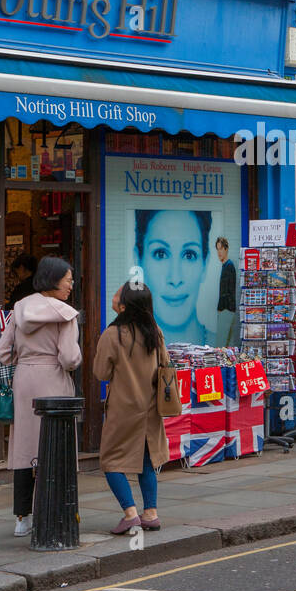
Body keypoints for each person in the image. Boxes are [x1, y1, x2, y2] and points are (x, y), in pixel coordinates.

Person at [0, 256, 81, 537]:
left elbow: (2, 352)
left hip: (25, 379)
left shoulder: (20, 309)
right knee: (57, 445)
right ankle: (56, 510)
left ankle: (23, 518)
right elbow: (69, 358)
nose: (71, 286)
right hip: (53, 379)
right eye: (68, 280)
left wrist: (26, 355)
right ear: (54, 281)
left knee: (24, 447)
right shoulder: (65, 314)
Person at [93, 283, 170, 535]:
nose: (113, 297)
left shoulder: (112, 335)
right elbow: (166, 364)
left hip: (123, 409)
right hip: (151, 408)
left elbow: (101, 373)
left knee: (111, 461)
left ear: (125, 304)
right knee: (147, 462)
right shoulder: (155, 332)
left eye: (118, 294)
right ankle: (151, 513)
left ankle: (130, 514)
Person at [134, 209, 212, 345]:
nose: (175, 279)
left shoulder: (223, 346)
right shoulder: (128, 347)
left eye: (189, 255)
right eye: (160, 254)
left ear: (205, 264)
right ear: (138, 261)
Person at [214, 236, 238, 347]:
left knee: (222, 343)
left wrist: (220, 308)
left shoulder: (229, 266)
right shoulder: (226, 266)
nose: (219, 252)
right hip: (228, 309)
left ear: (226, 249)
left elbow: (227, 292)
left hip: (226, 309)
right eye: (217, 249)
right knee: (227, 343)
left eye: (221, 249)